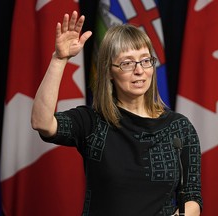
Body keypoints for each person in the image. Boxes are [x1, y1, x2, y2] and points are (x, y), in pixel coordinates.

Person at [31, 10, 203, 216]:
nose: (139, 70)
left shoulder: (179, 127)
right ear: (109, 72)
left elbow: (192, 197)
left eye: (145, 60)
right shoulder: (92, 122)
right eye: (127, 63)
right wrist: (59, 60)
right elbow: (41, 122)